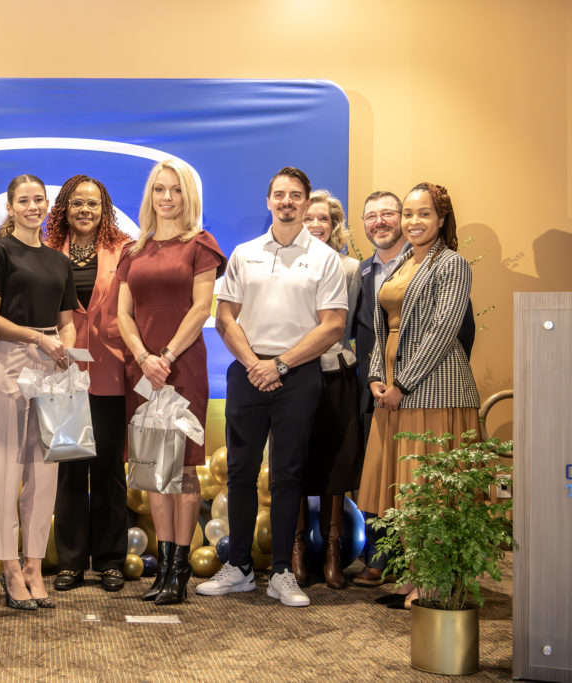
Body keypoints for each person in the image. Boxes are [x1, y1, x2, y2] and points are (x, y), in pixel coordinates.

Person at [205, 167, 346, 608]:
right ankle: (241, 568)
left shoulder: (324, 258)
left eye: (296, 195)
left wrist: (280, 365)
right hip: (248, 371)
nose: (287, 201)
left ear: (307, 203)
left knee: (288, 475)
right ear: (268, 201)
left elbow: (334, 326)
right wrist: (254, 363)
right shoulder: (245, 254)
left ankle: (283, 571)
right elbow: (225, 316)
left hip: (298, 374)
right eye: (279, 195)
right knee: (241, 473)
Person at [356, 182, 480, 609]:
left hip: (433, 392)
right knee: (402, 490)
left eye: (423, 214)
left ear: (441, 219)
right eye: (407, 214)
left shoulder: (453, 264)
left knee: (428, 489)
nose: (413, 222)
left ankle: (436, 582)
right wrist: (376, 376)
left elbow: (443, 331)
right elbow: (379, 328)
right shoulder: (400, 263)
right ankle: (414, 577)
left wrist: (402, 384)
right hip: (393, 390)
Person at [116, 159, 226, 605]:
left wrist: (165, 357)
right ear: (150, 196)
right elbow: (122, 313)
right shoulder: (132, 250)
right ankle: (163, 569)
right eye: (160, 189)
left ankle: (180, 571)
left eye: (176, 190)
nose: (167, 197)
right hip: (143, 373)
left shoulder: (200, 245)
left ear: (188, 197)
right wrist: (144, 358)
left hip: (182, 369)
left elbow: (202, 308)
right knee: (151, 471)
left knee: (181, 470)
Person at [0, 174, 78, 610]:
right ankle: (9, 567)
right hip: (11, 359)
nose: (33, 206)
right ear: (10, 205)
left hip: (52, 360)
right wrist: (38, 339)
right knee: (6, 465)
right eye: (24, 200)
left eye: (39, 199)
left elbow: (68, 319)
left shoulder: (59, 260)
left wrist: (65, 350)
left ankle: (35, 565)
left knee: (45, 468)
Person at [44, 175, 131, 593]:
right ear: (64, 207)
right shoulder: (46, 252)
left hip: (111, 369)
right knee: (71, 469)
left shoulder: (124, 249)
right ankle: (72, 562)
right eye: (77, 203)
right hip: (63, 371)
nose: (85, 210)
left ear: (104, 209)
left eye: (93, 204)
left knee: (110, 468)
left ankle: (111, 561)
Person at [291, 190, 362, 589]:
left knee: (338, 462)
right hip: (297, 372)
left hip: (337, 371)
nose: (316, 225)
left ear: (335, 226)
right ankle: (299, 547)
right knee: (298, 459)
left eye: (324, 220)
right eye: (310, 218)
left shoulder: (350, 268)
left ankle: (333, 551)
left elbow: (347, 326)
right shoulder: (288, 263)